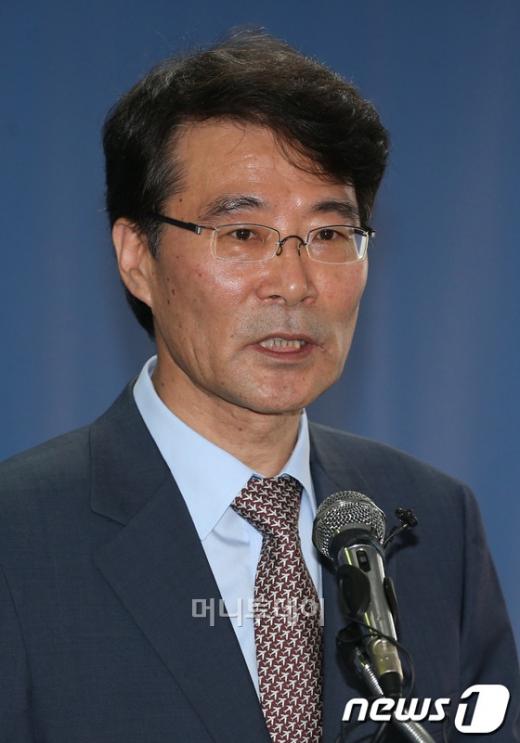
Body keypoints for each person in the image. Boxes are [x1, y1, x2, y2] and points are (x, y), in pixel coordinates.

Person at [0, 30, 518, 743]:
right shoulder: (19, 537)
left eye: (329, 236)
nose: (295, 283)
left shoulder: (435, 522)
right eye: (243, 234)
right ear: (137, 257)